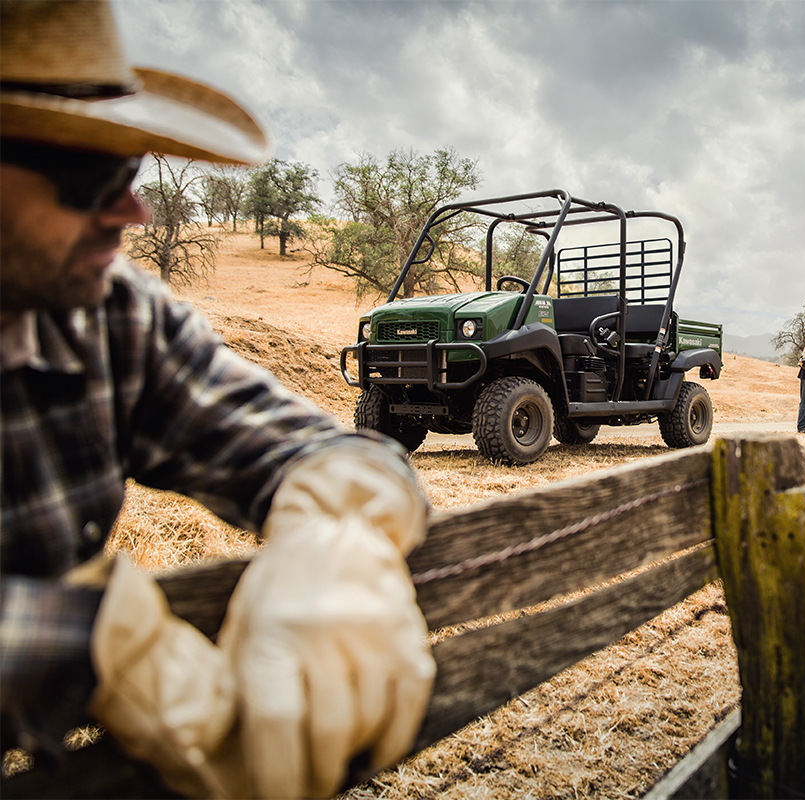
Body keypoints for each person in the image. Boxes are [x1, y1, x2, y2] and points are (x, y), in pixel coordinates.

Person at [0, 3, 434, 798]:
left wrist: (336, 535)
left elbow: (307, 445)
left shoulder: (104, 319)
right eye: (87, 177)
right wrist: (96, 641)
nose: (133, 211)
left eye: (129, 170)